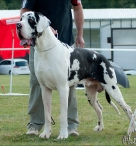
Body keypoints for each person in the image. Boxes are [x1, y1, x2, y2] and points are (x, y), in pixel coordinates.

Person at [20, 0, 85, 136]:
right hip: (39, 41)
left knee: (69, 84)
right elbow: (25, 11)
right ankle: (35, 124)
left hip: (65, 40)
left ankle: (71, 125)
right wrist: (44, 27)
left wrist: (80, 34)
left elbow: (77, 7)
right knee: (37, 82)